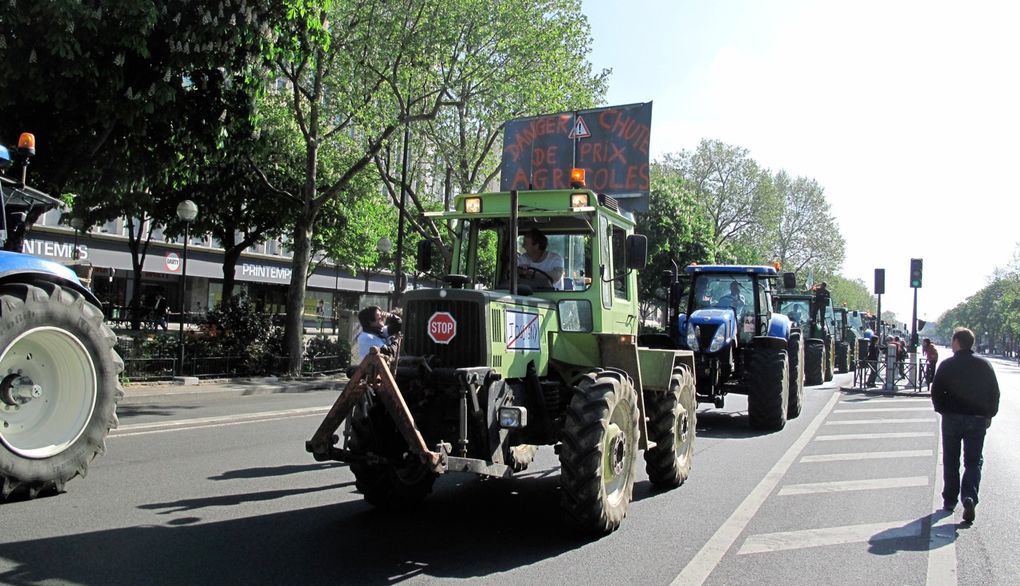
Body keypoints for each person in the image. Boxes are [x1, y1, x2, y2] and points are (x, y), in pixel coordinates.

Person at [931, 327, 1000, 523]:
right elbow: (994, 393)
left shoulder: (947, 365)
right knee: (973, 461)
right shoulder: (984, 365)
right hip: (977, 419)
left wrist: (943, 409)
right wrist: (989, 414)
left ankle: (950, 499)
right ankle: (969, 496)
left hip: (952, 417)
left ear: (956, 342)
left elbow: (936, 392)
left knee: (951, 459)